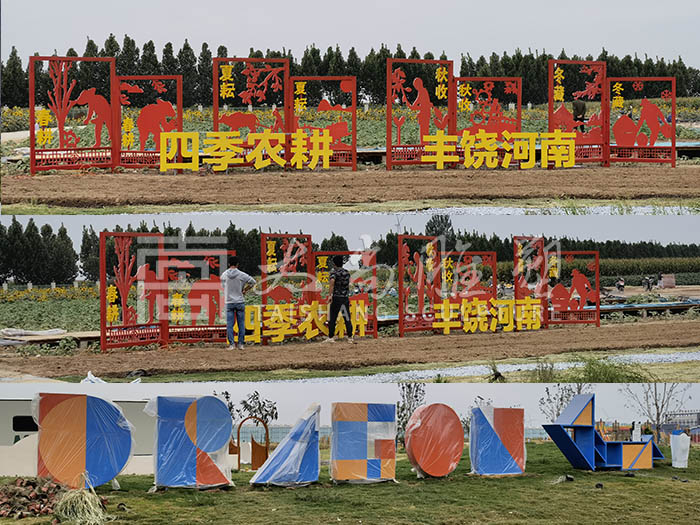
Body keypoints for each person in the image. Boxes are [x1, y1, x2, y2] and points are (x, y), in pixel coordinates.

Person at [220, 256, 256, 350]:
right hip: (240, 301)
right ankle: (241, 344)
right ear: (237, 264)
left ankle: (231, 344)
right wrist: (245, 290)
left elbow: (223, 286)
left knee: (230, 324)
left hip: (229, 302)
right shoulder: (242, 274)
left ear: (229, 264)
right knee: (241, 324)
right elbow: (253, 282)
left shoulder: (224, 275)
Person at [323, 255, 355, 343]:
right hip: (345, 298)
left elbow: (332, 283)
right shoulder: (347, 272)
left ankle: (331, 337)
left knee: (333, 318)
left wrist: (330, 295)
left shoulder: (334, 273)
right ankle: (350, 337)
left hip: (336, 298)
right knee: (347, 318)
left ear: (334, 264)